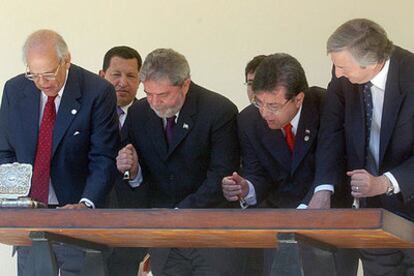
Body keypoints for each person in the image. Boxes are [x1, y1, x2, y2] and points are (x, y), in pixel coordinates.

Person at [222, 53, 358, 276]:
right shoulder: (249, 120)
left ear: (298, 99)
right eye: (259, 102)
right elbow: (258, 172)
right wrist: (247, 187)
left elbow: (336, 162)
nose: (264, 113)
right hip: (280, 226)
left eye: (273, 106)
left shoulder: (327, 106)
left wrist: (306, 210)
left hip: (329, 223)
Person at [0, 29, 119, 275]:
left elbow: (103, 158)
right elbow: (5, 152)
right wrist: (12, 199)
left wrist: (86, 205)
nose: (42, 83)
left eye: (48, 74)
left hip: (78, 217)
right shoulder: (14, 90)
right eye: (34, 75)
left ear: (67, 60)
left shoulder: (97, 92)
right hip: (30, 219)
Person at [116, 48, 243, 275]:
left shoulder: (218, 111)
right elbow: (131, 173)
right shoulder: (139, 113)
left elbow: (221, 175)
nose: (154, 102)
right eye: (148, 93)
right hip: (165, 237)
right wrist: (133, 171)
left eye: (163, 95)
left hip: (211, 233)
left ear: (185, 85)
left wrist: (178, 213)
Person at [309, 18, 414, 275]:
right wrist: (324, 187)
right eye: (335, 66)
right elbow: (331, 135)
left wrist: (385, 182)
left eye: (343, 67)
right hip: (371, 215)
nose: (336, 74)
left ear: (374, 63)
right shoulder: (344, 78)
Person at [99, 46, 148, 276]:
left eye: (131, 76)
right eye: (116, 75)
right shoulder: (86, 114)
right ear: (102, 75)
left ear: (140, 80)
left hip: (134, 223)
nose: (122, 82)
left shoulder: (152, 115)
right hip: (92, 224)